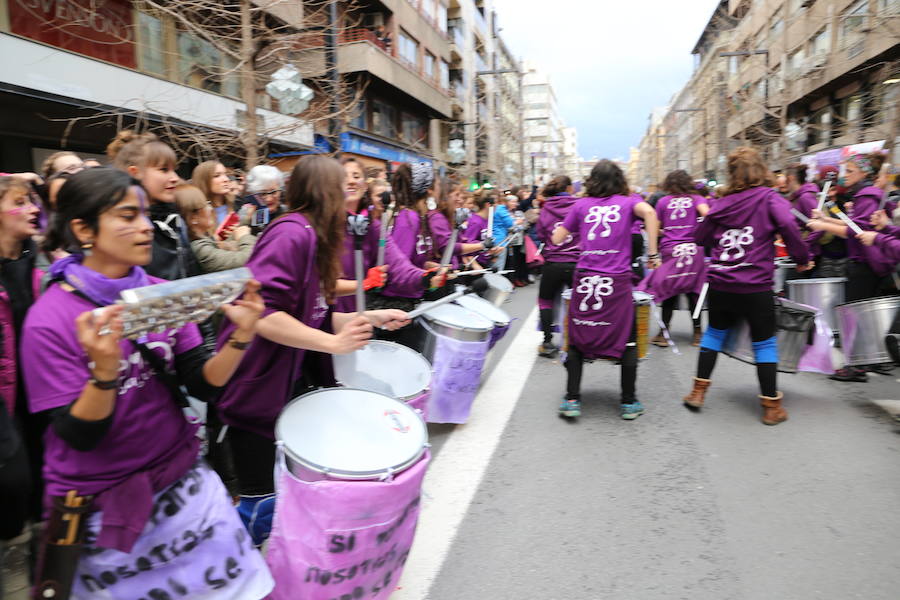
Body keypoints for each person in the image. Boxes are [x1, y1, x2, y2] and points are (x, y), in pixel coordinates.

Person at [21, 167, 274, 599]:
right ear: (84, 228)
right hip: (103, 515)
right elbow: (78, 435)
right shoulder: (51, 319)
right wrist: (103, 375)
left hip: (185, 489)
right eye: (126, 216)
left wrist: (243, 337)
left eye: (143, 214)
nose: (143, 227)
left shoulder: (161, 294)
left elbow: (202, 384)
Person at [214, 156, 410, 546]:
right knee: (259, 508)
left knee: (285, 503)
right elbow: (262, 314)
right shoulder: (291, 235)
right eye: (344, 184)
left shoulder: (315, 236)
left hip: (286, 387)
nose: (350, 192)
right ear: (325, 191)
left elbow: (314, 314)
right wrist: (332, 343)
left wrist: (371, 316)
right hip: (255, 390)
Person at [681, 147, 811, 425]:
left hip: (721, 283)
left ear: (732, 174)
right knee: (764, 343)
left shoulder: (721, 203)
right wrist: (801, 258)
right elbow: (788, 224)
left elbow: (700, 237)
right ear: (761, 170)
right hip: (755, 286)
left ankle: (698, 392)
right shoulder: (769, 198)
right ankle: (771, 408)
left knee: (713, 335)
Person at [551, 160, 660, 420]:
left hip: (586, 278)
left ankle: (572, 399)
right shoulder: (629, 202)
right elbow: (652, 215)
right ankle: (628, 402)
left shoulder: (580, 205)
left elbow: (557, 239)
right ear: (619, 180)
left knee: (577, 337)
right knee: (627, 338)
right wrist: (653, 253)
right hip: (617, 282)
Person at [808, 152, 895, 381]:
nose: (845, 176)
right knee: (861, 315)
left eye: (850, 171)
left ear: (865, 172)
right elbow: (854, 224)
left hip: (866, 263)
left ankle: (857, 366)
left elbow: (857, 232)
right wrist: (825, 220)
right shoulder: (865, 194)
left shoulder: (867, 195)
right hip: (866, 262)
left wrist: (821, 224)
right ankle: (868, 361)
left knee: (856, 315)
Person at [0, 176, 45, 597]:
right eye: (20, 202)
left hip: (38, 387)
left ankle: (40, 555)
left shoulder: (40, 260)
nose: (33, 209)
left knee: (37, 469)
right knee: (11, 477)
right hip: (4, 396)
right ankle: (13, 552)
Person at [334, 157, 437, 314]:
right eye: (343, 176)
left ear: (364, 184)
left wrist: (424, 278)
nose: (351, 182)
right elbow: (318, 284)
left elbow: (398, 264)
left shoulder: (372, 226)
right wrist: (365, 283)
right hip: (323, 319)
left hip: (356, 314)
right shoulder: (323, 224)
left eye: (356, 176)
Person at [107, 130, 200, 281]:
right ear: (134, 173)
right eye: (164, 169)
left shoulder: (175, 221)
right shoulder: (118, 227)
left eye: (174, 170)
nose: (175, 178)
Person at [640, 170, 709, 348]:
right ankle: (697, 333)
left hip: (671, 251)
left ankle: (664, 334)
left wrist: (666, 234)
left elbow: (655, 227)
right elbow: (708, 216)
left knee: (669, 292)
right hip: (693, 251)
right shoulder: (696, 199)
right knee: (694, 293)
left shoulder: (663, 202)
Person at [535, 175, 579, 357]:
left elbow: (541, 234)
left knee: (546, 301)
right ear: (569, 188)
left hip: (553, 262)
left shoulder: (546, 208)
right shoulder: (579, 205)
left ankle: (547, 342)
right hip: (576, 261)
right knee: (577, 302)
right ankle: (576, 340)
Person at [176, 184, 256, 272]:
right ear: (193, 217)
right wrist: (244, 237)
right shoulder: (201, 250)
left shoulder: (204, 241)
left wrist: (245, 221)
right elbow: (249, 260)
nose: (210, 209)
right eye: (206, 204)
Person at [193, 160, 235, 227]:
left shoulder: (237, 205)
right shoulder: (196, 216)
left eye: (226, 175)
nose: (226, 179)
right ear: (204, 181)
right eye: (217, 176)